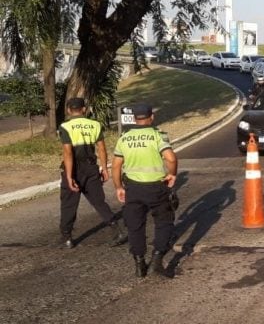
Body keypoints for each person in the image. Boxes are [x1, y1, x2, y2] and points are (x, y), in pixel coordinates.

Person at [112, 103, 177, 278]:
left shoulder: (124, 138)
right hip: (156, 188)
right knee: (164, 221)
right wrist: (172, 174)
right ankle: (157, 258)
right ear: (151, 117)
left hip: (133, 188)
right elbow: (170, 158)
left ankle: (139, 263)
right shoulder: (158, 136)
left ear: (134, 119)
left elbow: (116, 166)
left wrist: (118, 187)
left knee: (135, 226)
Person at [59, 97, 127, 249]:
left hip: (74, 169)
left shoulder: (65, 126)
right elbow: (101, 148)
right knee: (99, 201)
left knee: (69, 204)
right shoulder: (95, 125)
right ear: (84, 109)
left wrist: (69, 176)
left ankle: (67, 237)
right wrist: (104, 168)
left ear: (69, 110)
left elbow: (68, 153)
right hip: (91, 168)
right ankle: (116, 229)